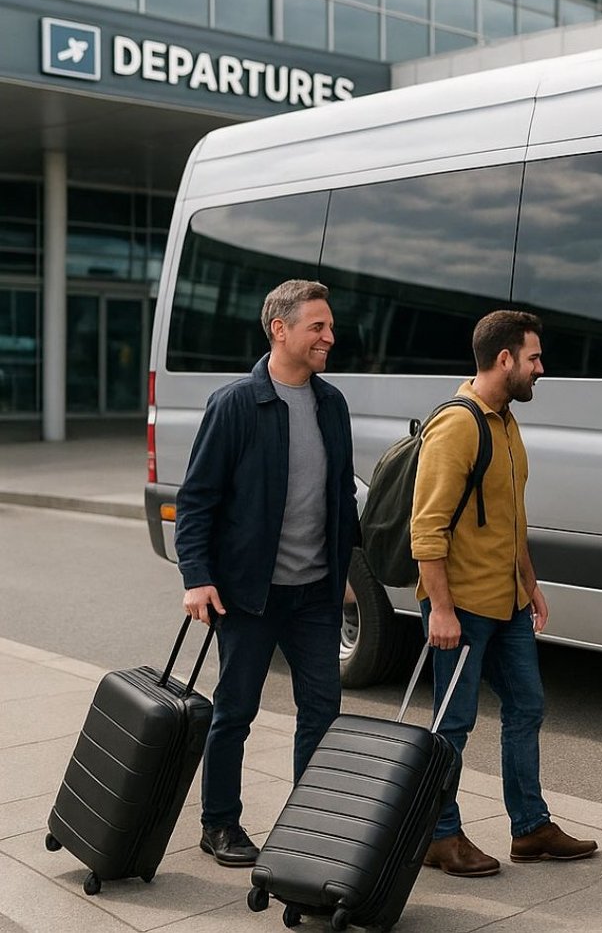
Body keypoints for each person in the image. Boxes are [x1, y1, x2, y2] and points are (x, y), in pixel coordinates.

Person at [175, 279, 357, 867]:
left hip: (316, 595)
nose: (330, 336)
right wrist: (196, 576)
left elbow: (339, 497)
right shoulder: (234, 404)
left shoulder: (333, 404)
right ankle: (219, 823)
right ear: (280, 329)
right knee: (235, 711)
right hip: (249, 596)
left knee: (323, 714)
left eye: (330, 326)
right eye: (318, 327)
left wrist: (345, 569)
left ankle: (306, 826)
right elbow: (197, 499)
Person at [412, 309, 596, 877]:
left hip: (508, 600)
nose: (542, 369)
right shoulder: (458, 425)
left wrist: (531, 583)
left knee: (526, 706)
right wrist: (440, 608)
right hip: (462, 605)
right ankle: (440, 835)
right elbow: (427, 528)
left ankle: (530, 827)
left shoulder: (506, 421)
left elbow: (510, 515)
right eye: (535, 358)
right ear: (505, 359)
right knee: (455, 722)